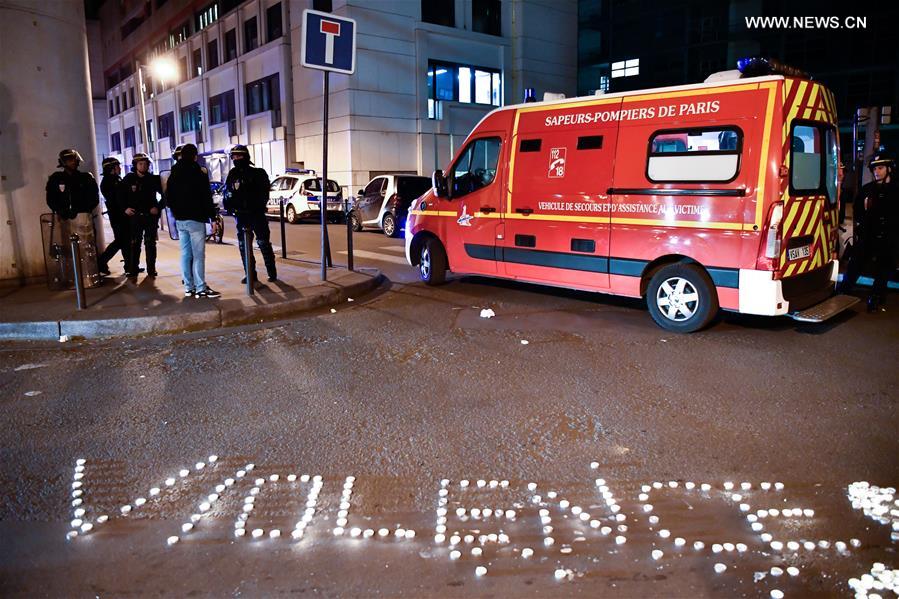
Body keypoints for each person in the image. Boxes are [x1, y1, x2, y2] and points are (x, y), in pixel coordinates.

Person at [838, 152, 899, 312]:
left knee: (883, 267)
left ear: (889, 169)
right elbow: (858, 211)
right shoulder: (867, 190)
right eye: (874, 169)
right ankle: (844, 289)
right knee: (856, 262)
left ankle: (877, 295)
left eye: (880, 168)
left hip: (888, 236)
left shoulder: (895, 190)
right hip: (868, 235)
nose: (876, 172)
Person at [165, 144, 221, 298]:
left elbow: (168, 199)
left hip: (180, 220)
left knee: (185, 254)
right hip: (195, 219)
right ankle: (201, 288)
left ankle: (189, 288)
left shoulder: (174, 173)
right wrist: (212, 218)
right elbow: (206, 198)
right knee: (198, 255)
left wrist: (177, 211)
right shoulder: (198, 172)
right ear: (195, 156)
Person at [223, 144, 277, 284]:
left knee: (263, 243)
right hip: (241, 215)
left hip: (257, 214)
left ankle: (272, 272)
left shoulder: (258, 173)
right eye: (234, 156)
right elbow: (228, 192)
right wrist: (230, 206)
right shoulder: (233, 174)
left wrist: (256, 205)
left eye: (239, 156)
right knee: (244, 245)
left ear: (245, 156)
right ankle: (250, 274)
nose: (236, 158)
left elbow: (264, 194)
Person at [119, 152, 163, 278]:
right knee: (134, 243)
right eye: (140, 164)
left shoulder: (153, 179)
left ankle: (151, 269)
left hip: (150, 217)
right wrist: (125, 208)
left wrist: (158, 207)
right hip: (135, 217)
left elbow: (165, 195)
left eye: (145, 164)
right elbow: (120, 196)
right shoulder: (128, 179)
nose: (143, 166)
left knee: (150, 244)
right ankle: (133, 269)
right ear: (135, 165)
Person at [97, 157, 131, 275]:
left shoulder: (116, 179)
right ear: (111, 168)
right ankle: (101, 261)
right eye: (117, 166)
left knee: (125, 241)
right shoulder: (108, 182)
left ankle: (129, 266)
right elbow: (116, 199)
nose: (120, 168)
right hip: (117, 216)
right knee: (120, 241)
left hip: (122, 216)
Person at [45, 148, 99, 220]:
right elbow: (51, 199)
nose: (73, 162)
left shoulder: (86, 177)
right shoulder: (56, 178)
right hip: (63, 219)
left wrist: (82, 209)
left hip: (83, 218)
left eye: (74, 159)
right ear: (64, 162)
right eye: (70, 160)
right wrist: (61, 210)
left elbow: (94, 198)